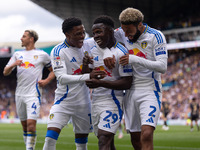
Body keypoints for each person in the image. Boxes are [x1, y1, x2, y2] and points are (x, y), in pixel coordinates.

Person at [103, 8, 168, 150]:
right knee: (135, 139)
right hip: (130, 91)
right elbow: (103, 40)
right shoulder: (121, 32)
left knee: (146, 134)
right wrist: (106, 53)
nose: (126, 35)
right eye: (124, 31)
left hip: (150, 90)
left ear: (139, 25)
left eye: (129, 31)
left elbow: (162, 66)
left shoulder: (155, 36)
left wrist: (134, 59)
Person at [42, 17, 106, 150]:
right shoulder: (58, 51)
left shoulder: (87, 46)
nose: (82, 36)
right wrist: (88, 75)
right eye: (78, 34)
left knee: (82, 145)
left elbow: (109, 34)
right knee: (49, 140)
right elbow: (62, 78)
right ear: (67, 35)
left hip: (84, 104)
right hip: (63, 102)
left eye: (83, 32)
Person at [84, 15, 133, 150]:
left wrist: (101, 83)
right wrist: (85, 66)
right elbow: (87, 78)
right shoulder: (92, 50)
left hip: (113, 100)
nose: (96, 36)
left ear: (111, 32)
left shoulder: (122, 52)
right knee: (108, 142)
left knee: (104, 138)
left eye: (99, 32)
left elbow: (127, 82)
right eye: (94, 33)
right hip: (96, 101)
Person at [3, 29, 55, 150]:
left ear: (31, 39)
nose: (21, 38)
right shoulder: (17, 54)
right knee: (25, 126)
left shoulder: (42, 55)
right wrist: (13, 64)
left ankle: (29, 149)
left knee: (31, 125)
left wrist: (47, 81)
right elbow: (5, 72)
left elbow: (53, 71)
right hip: (19, 94)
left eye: (24, 36)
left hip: (33, 94)